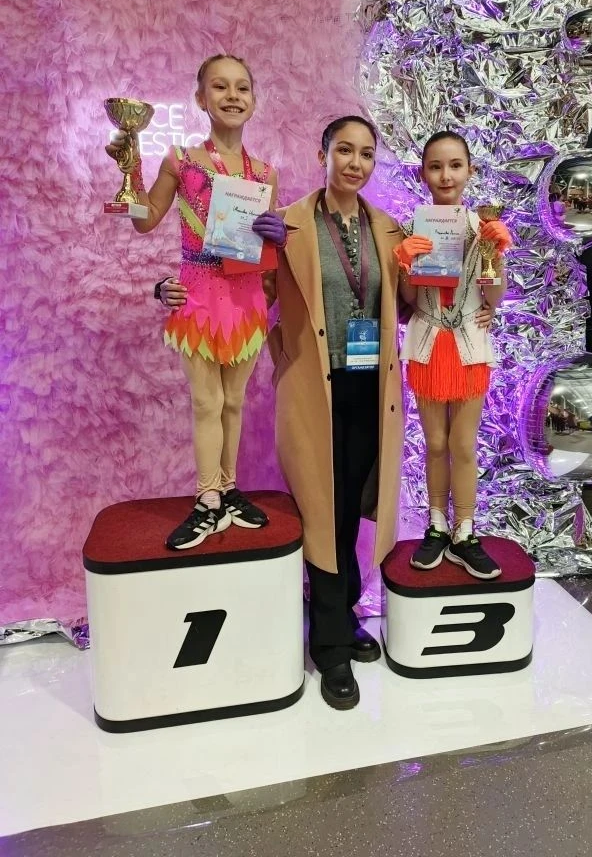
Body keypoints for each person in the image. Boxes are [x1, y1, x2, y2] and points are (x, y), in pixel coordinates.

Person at [262, 115, 419, 711]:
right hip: (313, 390)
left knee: (350, 506)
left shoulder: (389, 229)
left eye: (366, 154)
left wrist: (433, 271)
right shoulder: (289, 224)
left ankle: (344, 616)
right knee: (322, 513)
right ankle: (328, 646)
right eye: (344, 151)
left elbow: (406, 308)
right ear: (322, 154)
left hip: (369, 390)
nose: (355, 163)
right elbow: (255, 295)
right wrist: (252, 250)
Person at [105, 54, 287, 550]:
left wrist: (278, 238)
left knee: (234, 402)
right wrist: (131, 169)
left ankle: (228, 488)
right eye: (220, 86)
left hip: (247, 302)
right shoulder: (181, 161)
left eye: (242, 87)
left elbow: (265, 249)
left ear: (253, 101)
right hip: (198, 298)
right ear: (200, 98)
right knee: (207, 402)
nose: (233, 95)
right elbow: (146, 220)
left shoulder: (265, 174)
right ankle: (207, 498)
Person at [394, 130, 511, 580]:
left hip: (469, 347)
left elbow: (493, 298)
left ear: (470, 171)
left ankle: (465, 530)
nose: (446, 175)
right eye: (436, 166)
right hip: (426, 345)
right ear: (423, 174)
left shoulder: (483, 229)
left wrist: (497, 253)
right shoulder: (412, 229)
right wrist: (405, 264)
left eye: (455, 165)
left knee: (463, 444)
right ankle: (437, 525)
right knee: (436, 444)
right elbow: (408, 302)